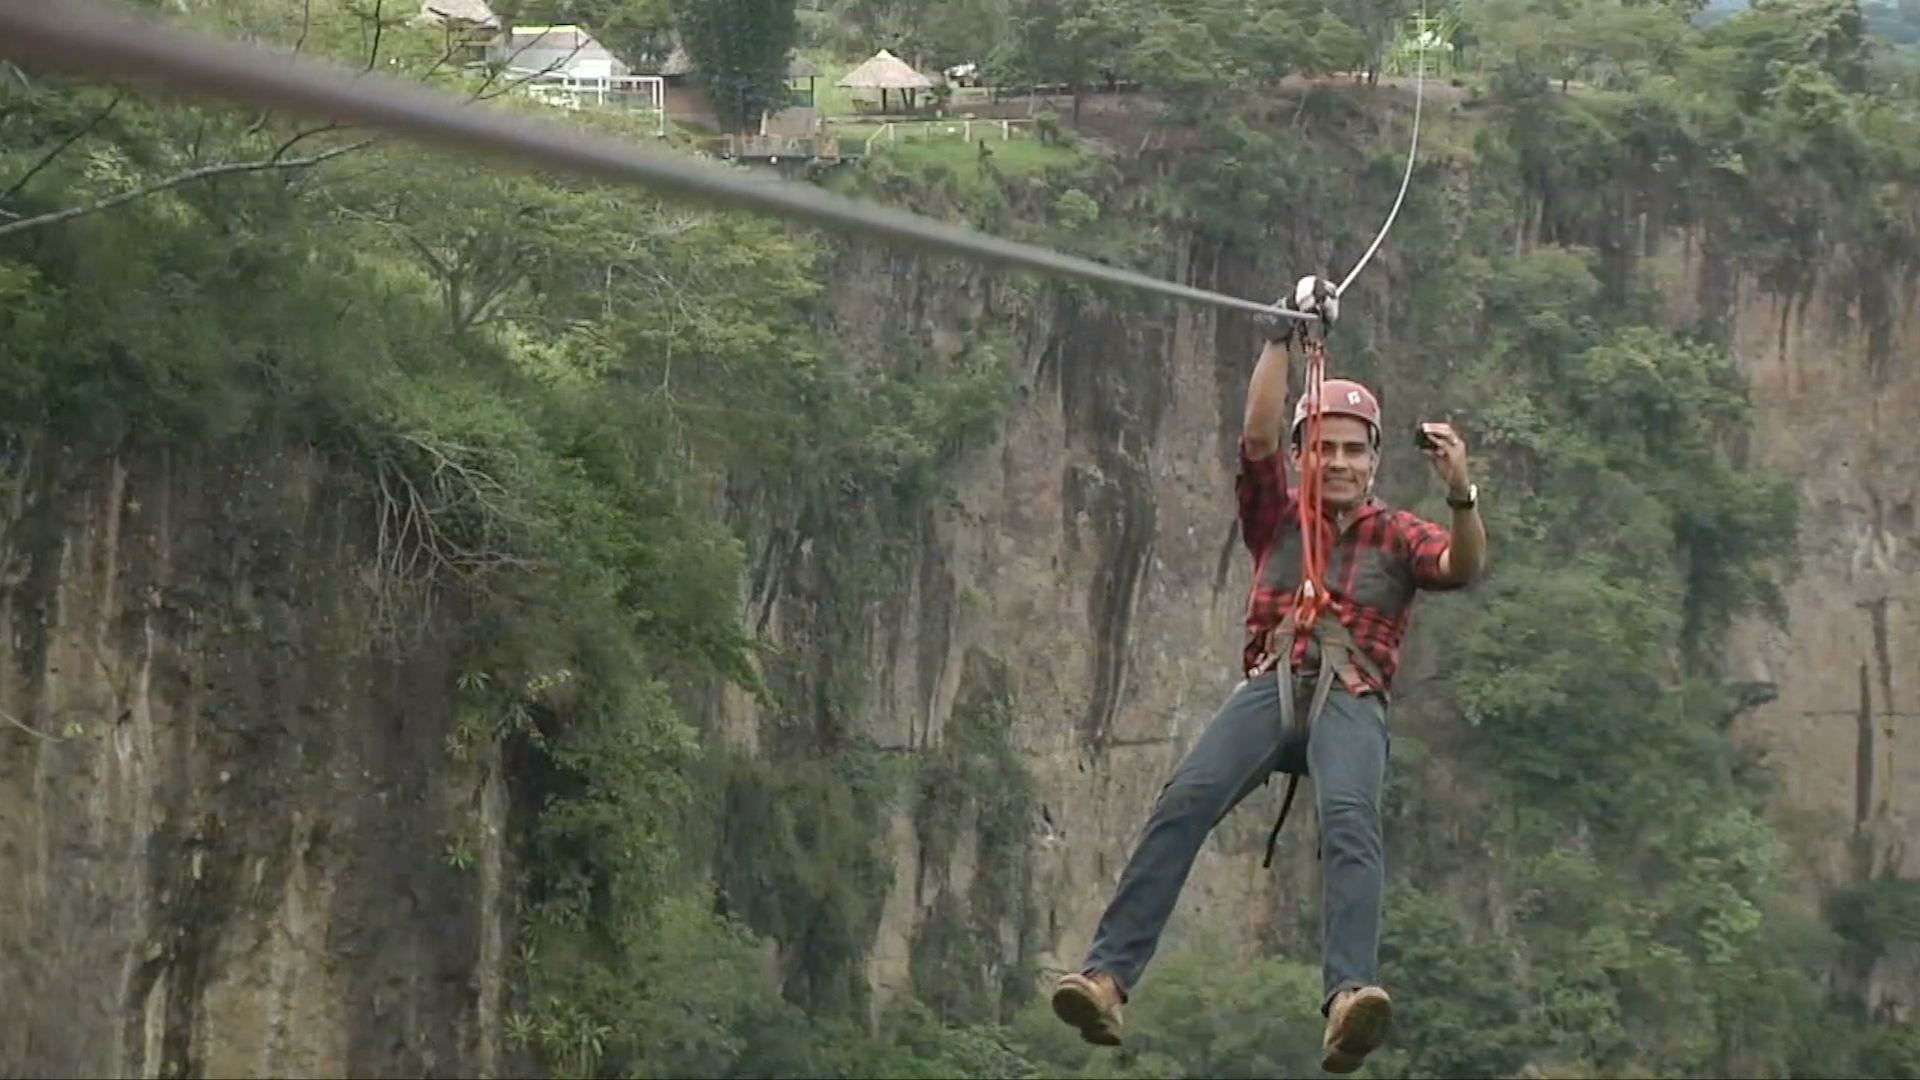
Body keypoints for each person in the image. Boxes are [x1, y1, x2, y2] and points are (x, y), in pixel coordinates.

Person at [1049, 287, 1488, 1074]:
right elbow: (1255, 437)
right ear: (1304, 456)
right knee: (1183, 802)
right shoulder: (1277, 516)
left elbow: (1461, 566)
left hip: (1350, 696)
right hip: (1276, 682)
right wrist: (1282, 334)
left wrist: (1461, 491)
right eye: (1326, 449)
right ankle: (1108, 978)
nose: (1341, 463)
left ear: (1375, 459)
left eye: (1356, 451)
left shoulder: (1400, 533)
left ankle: (1349, 996)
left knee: (1352, 818)